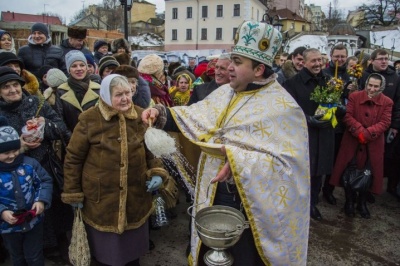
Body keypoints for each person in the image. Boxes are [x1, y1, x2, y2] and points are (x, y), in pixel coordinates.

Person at [142, 20, 310, 265]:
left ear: (259, 70)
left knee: (242, 257)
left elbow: (289, 170)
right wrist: (160, 114)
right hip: (210, 192)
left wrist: (237, 161)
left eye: (237, 63)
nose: (229, 68)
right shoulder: (225, 92)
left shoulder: (285, 109)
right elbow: (194, 118)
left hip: (249, 206)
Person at [61, 74, 169, 266]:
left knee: (132, 253)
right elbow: (73, 159)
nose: (126, 98)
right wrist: (73, 192)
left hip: (135, 196)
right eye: (119, 94)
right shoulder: (89, 120)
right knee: (106, 255)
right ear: (104, 95)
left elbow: (152, 151)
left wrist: (157, 172)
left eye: (128, 92)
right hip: (102, 199)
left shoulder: (140, 115)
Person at [0, 66, 71, 263]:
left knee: (52, 211)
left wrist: (44, 125)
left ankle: (59, 248)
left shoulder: (37, 102)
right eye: (6, 87)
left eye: (15, 85)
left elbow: (61, 128)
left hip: (44, 166)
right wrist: (19, 146)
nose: (13, 90)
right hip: (9, 176)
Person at [284, 48, 337, 221]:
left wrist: (338, 109)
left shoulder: (329, 80)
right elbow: (287, 112)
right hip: (304, 135)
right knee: (303, 173)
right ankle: (298, 205)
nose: (317, 64)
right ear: (304, 63)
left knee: (319, 173)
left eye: (320, 60)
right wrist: (308, 120)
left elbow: (333, 102)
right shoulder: (292, 84)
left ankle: (312, 204)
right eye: (313, 61)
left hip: (324, 134)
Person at [330, 73, 392, 218]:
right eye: (370, 85)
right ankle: (349, 201)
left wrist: (368, 133)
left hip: (373, 144)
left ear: (381, 87)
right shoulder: (355, 96)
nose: (372, 89)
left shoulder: (387, 102)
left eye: (376, 86)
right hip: (352, 141)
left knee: (369, 173)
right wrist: (359, 132)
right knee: (348, 171)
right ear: (366, 84)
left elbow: (385, 122)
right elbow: (347, 115)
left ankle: (362, 202)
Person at [0, 117, 53, 266]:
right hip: (7, 227)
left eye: (15, 150)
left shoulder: (30, 164)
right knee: (16, 257)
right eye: (5, 153)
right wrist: (2, 212)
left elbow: (44, 181)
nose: (12, 155)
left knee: (34, 256)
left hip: (33, 222)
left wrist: (41, 200)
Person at [359, 49, 400, 199]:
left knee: (378, 159)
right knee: (362, 159)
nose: (384, 61)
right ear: (372, 60)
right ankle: (361, 185)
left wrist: (395, 125)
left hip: (384, 126)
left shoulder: (394, 77)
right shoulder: (363, 76)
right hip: (363, 125)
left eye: (386, 58)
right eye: (380, 58)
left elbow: (398, 103)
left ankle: (372, 188)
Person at [320, 44, 352, 206]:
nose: (340, 60)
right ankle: (316, 189)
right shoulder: (324, 74)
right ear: (331, 57)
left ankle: (329, 189)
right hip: (326, 123)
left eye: (343, 57)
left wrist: (350, 90)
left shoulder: (351, 75)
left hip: (343, 125)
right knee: (321, 159)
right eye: (336, 56)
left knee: (336, 161)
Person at [55, 50, 101, 132]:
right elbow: (59, 120)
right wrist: (72, 140)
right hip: (71, 141)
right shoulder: (61, 91)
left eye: (82, 65)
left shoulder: (98, 89)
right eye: (74, 66)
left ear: (86, 67)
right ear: (69, 69)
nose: (79, 69)